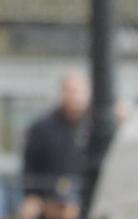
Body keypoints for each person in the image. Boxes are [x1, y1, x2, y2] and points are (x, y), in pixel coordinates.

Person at [22, 70, 88, 201]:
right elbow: (31, 172)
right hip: (49, 203)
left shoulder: (97, 127)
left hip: (86, 204)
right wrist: (33, 198)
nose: (74, 97)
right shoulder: (42, 129)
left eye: (78, 91)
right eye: (70, 91)